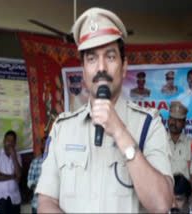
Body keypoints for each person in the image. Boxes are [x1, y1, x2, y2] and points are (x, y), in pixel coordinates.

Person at [36, 7, 173, 213]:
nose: (101, 67)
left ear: (124, 66)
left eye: (110, 57)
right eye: (91, 58)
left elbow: (161, 205)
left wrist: (120, 132)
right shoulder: (62, 128)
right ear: (83, 71)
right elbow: (46, 202)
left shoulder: (149, 124)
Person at [167, 101, 192, 191]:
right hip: (162, 197)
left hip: (183, 200)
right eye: (172, 118)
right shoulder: (158, 141)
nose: (174, 122)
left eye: (178, 120)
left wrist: (180, 196)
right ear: (168, 120)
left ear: (184, 123)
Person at [0, 130, 22, 214]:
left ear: (15, 143)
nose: (10, 143)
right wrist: (12, 176)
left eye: (12, 141)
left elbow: (19, 176)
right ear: (4, 141)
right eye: (8, 140)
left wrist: (14, 156)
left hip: (15, 197)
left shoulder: (17, 155)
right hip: (1, 197)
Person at [27, 135, 47, 214]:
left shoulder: (57, 162)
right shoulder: (35, 162)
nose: (46, 147)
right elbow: (30, 181)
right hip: (37, 203)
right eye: (44, 145)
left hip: (53, 205)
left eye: (48, 145)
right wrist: (37, 188)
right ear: (41, 146)